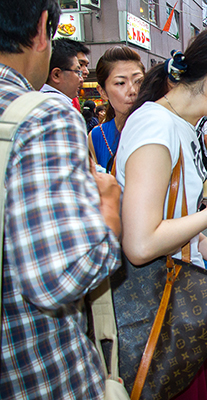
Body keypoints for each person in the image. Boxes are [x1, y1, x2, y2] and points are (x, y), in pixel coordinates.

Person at [115, 24, 207, 399]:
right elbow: (140, 241)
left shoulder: (181, 126)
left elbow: (170, 219)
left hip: (175, 312)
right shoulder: (156, 125)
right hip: (159, 316)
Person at [0, 1, 122, 399]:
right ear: (40, 30)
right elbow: (59, 277)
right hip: (37, 371)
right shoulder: (42, 116)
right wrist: (108, 208)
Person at [88, 46, 145, 170]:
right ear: (102, 91)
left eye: (138, 81)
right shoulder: (97, 136)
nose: (133, 90)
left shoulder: (161, 127)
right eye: (120, 83)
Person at [40, 38, 83, 106]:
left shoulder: (35, 99)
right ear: (56, 75)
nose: (81, 79)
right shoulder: (60, 106)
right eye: (77, 72)